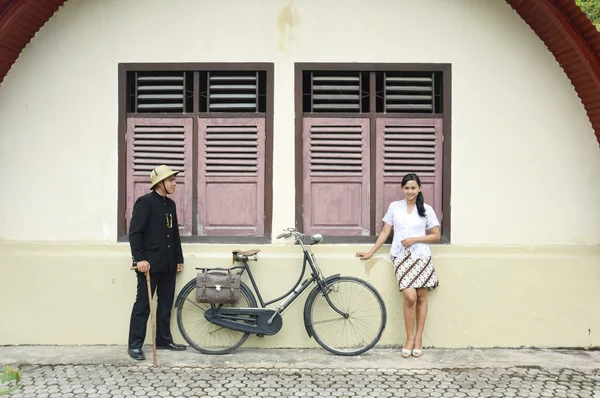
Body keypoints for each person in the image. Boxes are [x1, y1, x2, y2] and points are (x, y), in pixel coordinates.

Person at [356, 173, 441, 358]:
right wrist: (371, 252)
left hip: (421, 256)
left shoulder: (426, 209)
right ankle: (408, 338)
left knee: (421, 297)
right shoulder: (394, 207)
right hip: (400, 256)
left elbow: (436, 235)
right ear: (402, 189)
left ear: (419, 188)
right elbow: (386, 232)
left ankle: (418, 339)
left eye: (413, 187)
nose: (410, 191)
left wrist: (415, 239)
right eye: (407, 188)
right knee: (410, 296)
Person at [127, 164, 186, 360]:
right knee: (143, 305)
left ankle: (163, 340)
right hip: (149, 265)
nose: (174, 184)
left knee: (166, 304)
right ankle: (135, 345)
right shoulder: (144, 203)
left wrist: (178, 257)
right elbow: (135, 233)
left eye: (174, 180)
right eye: (171, 180)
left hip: (168, 263)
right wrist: (139, 259)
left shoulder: (170, 205)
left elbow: (174, 233)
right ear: (160, 183)